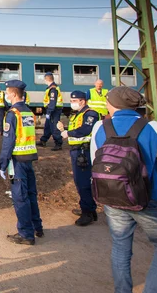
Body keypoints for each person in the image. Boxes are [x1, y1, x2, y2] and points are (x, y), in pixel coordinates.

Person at [90, 87, 157, 292]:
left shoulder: (99, 128)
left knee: (121, 246)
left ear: (113, 105)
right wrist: (145, 186)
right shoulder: (156, 128)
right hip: (149, 199)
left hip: (112, 197)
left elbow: (95, 162)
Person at [0, 80, 43, 245]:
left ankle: (26, 234)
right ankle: (37, 227)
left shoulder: (13, 114)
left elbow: (8, 143)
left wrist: (2, 164)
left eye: (7, 91)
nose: (6, 94)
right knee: (31, 194)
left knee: (20, 197)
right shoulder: (28, 112)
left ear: (14, 94)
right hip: (29, 158)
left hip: (17, 161)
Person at [57, 91, 99, 226]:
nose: (72, 103)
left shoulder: (90, 114)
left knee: (83, 182)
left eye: (75, 101)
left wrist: (67, 133)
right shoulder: (78, 115)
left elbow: (85, 130)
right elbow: (77, 130)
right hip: (77, 151)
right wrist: (64, 128)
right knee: (79, 181)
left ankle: (88, 213)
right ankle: (88, 208)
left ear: (82, 101)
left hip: (83, 151)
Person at [38, 72, 63, 151]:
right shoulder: (51, 88)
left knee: (54, 127)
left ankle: (58, 143)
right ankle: (43, 140)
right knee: (48, 126)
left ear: (46, 79)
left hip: (54, 110)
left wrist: (50, 111)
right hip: (52, 109)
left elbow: (52, 101)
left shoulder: (53, 89)